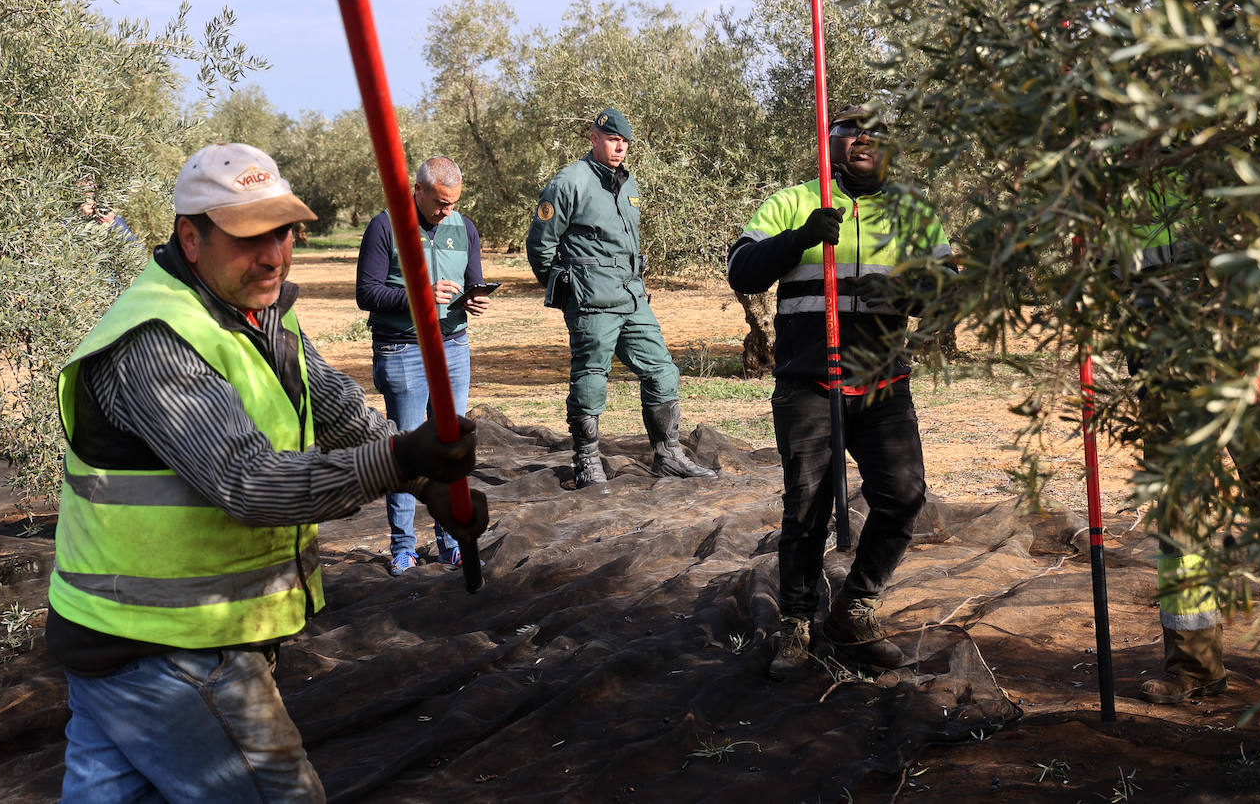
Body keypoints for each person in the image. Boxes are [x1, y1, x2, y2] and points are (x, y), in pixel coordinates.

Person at [46, 142, 488, 802]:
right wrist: (402, 459)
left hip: (129, 643)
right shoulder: (155, 340)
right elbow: (247, 482)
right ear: (190, 239)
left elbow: (343, 414)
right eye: (252, 235)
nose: (276, 253)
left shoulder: (261, 315)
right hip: (169, 650)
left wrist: (427, 482)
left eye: (284, 230)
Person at [726, 105, 951, 679]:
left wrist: (908, 289)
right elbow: (742, 271)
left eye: (876, 132)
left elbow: (947, 296)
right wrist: (801, 237)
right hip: (808, 381)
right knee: (807, 508)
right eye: (849, 131)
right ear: (831, 143)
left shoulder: (914, 213)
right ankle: (797, 624)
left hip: (882, 382)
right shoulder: (792, 202)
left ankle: (854, 609)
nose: (863, 141)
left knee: (903, 495)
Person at [1118, 178, 1260, 704]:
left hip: (1258, 378)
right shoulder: (1119, 196)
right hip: (1167, 383)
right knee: (1179, 525)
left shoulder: (1236, 166)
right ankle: (1194, 669)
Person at [526, 107, 714, 488]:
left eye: (625, 142)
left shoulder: (628, 185)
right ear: (594, 139)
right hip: (591, 301)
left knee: (662, 371)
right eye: (613, 140)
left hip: (631, 298)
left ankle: (668, 454)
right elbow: (540, 246)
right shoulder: (569, 183)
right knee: (591, 378)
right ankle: (587, 461)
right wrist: (567, 290)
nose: (620, 148)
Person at [357, 155, 490, 575]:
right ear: (417, 190)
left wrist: (474, 297)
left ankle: (450, 541)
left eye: (453, 203)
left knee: (451, 450)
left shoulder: (463, 228)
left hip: (452, 347)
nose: (446, 211)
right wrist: (419, 295)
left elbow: (472, 280)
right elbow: (367, 293)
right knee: (408, 451)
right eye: (440, 202)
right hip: (403, 350)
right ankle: (403, 547)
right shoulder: (384, 227)